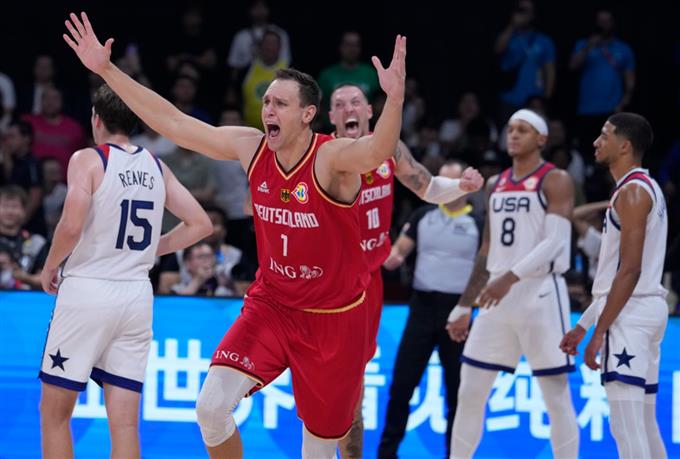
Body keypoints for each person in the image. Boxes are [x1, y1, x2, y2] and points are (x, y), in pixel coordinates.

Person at [64, 12, 407, 458]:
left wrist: (394, 100)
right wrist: (107, 70)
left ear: (308, 114)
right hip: (273, 306)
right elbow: (175, 123)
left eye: (280, 104)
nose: (269, 110)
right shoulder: (252, 146)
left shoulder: (331, 158)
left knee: (320, 445)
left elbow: (377, 150)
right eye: (266, 102)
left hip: (333, 318)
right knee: (210, 409)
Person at [37, 83, 212, 459]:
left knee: (54, 415)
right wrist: (151, 248)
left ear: (96, 119)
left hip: (89, 290)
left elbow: (71, 226)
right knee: (126, 425)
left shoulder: (88, 159)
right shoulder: (157, 165)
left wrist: (50, 265)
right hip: (136, 295)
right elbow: (201, 224)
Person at [327, 83, 483, 459]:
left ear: (369, 112)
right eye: (339, 105)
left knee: (354, 382)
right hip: (331, 281)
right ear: (331, 117)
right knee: (332, 382)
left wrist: (458, 186)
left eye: (355, 102)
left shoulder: (389, 150)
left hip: (369, 281)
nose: (348, 109)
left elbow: (426, 185)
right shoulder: (323, 155)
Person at [446, 109, 579, 458]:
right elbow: (486, 249)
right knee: (470, 392)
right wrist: (464, 304)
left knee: (556, 397)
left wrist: (509, 277)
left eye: (523, 130)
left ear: (542, 139)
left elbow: (556, 241)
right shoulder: (495, 184)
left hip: (540, 293)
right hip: (495, 296)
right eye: (510, 129)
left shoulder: (556, 179)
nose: (514, 135)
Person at [561, 113, 668, 459]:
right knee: (645, 424)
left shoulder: (634, 192)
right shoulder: (641, 187)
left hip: (630, 314)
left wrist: (600, 331)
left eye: (604, 135)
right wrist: (584, 325)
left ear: (625, 146)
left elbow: (630, 271)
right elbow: (616, 278)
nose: (596, 142)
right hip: (641, 309)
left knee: (626, 426)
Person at [378, 160, 481, 459]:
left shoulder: (478, 222)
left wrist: (468, 306)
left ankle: (455, 455)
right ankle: (386, 454)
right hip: (421, 309)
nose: (446, 188)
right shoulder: (423, 215)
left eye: (453, 182)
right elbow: (399, 250)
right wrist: (390, 256)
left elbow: (485, 266)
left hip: (458, 313)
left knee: (457, 391)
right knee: (402, 385)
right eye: (441, 182)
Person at [570, 9, 636, 151]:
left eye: (607, 21)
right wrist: (589, 46)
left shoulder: (623, 48)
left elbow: (630, 80)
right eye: (600, 21)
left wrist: (623, 103)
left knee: (609, 152)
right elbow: (573, 66)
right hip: (586, 109)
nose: (603, 24)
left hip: (612, 110)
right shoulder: (583, 44)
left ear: (613, 23)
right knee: (586, 149)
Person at [494, 0, 556, 123]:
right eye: (519, 10)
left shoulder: (544, 40)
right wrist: (513, 25)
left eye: (526, 11)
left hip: (534, 99)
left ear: (533, 15)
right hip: (509, 98)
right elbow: (498, 49)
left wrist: (546, 98)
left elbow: (550, 71)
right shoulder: (509, 36)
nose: (522, 14)